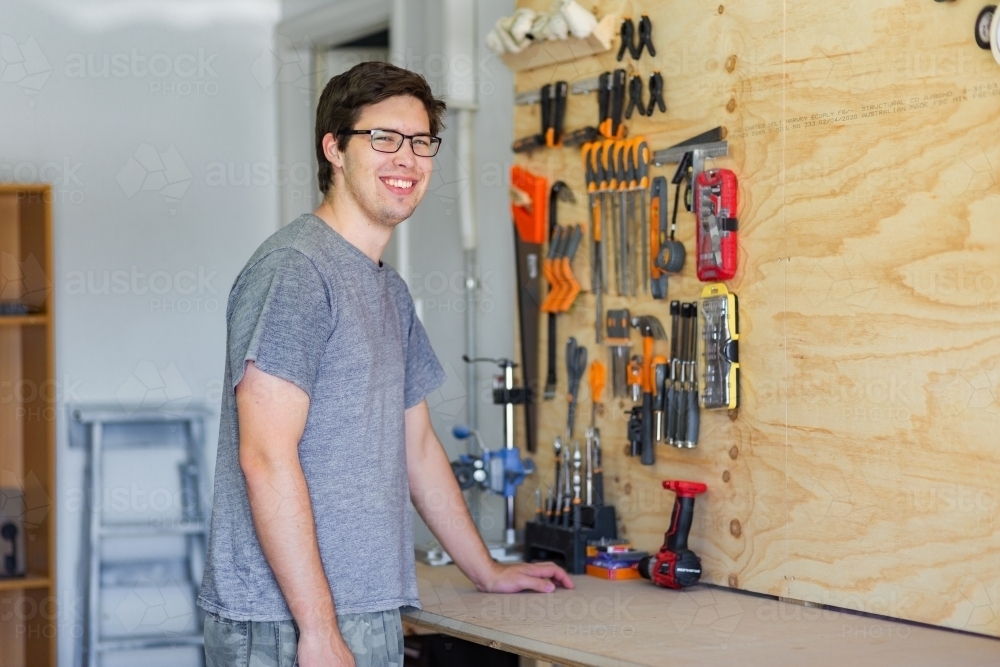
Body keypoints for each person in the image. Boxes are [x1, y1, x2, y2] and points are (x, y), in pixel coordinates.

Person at [197, 61, 572, 667]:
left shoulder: (388, 291)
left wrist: (487, 570)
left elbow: (417, 445)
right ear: (334, 149)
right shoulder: (295, 270)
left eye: (422, 142)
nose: (408, 158)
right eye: (384, 138)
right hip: (283, 622)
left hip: (363, 608)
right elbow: (264, 457)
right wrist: (317, 631)